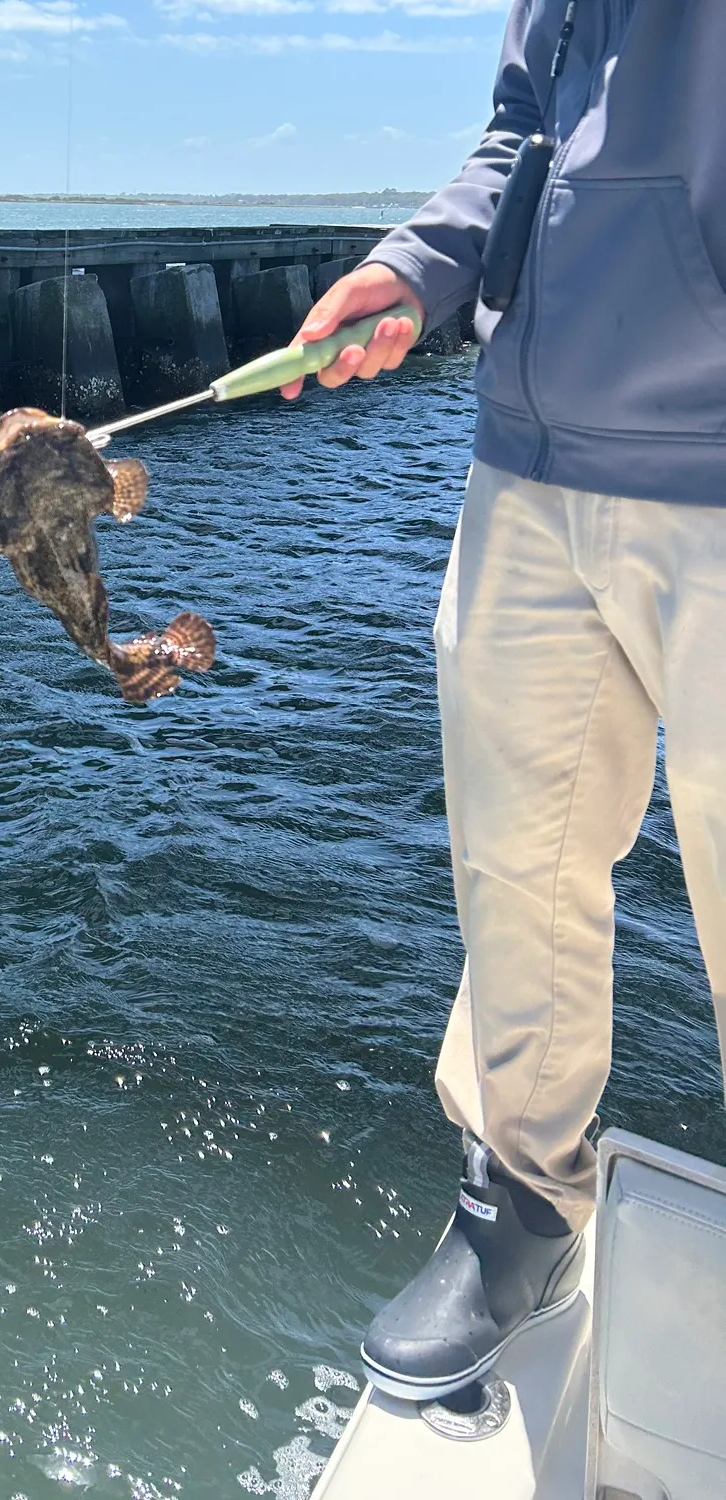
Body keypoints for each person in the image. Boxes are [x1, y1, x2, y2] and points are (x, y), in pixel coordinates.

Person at [281, 0, 726, 1402]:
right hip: (527, 457)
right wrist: (419, 268)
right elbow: (525, 128)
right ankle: (521, 1212)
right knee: (518, 864)